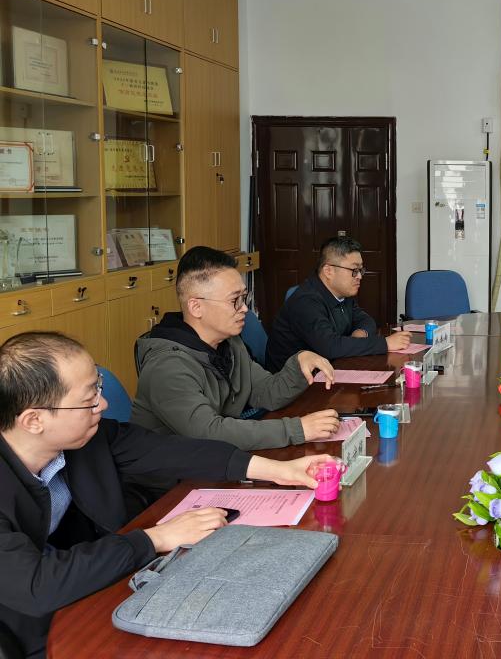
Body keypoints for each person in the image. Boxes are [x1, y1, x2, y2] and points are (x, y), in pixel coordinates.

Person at [0, 331, 336, 659]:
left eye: (98, 388)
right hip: (29, 621)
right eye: (88, 399)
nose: (103, 404)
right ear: (33, 420)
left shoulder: (87, 438)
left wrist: (280, 470)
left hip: (87, 581)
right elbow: (36, 586)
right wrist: (156, 538)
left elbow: (171, 451)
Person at [133, 246, 342, 452]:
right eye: (234, 300)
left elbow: (266, 393)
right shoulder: (166, 366)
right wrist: (297, 429)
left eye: (244, 298)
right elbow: (209, 432)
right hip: (170, 470)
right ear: (196, 307)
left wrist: (299, 363)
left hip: (214, 458)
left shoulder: (229, 343)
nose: (244, 308)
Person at [265, 236, 411, 372]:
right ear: (328, 271)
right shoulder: (306, 302)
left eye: (360, 270)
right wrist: (385, 344)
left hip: (328, 370)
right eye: (354, 270)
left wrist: (360, 333)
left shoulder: (341, 293)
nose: (359, 276)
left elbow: (366, 320)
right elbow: (330, 347)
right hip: (293, 383)